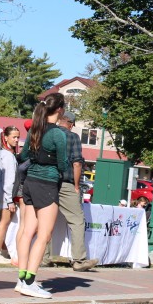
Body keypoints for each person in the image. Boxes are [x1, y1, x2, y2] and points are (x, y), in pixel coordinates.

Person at [14, 93, 69, 299]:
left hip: (29, 182)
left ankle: (21, 279)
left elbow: (24, 155)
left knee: (27, 232)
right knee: (44, 235)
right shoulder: (58, 134)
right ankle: (30, 282)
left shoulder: (35, 129)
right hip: (47, 184)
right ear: (60, 110)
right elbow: (63, 163)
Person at [54, 110, 98, 272]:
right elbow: (77, 163)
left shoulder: (49, 133)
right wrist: (77, 186)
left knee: (46, 220)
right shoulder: (72, 137)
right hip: (66, 183)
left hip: (47, 182)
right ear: (71, 124)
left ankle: (43, 257)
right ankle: (79, 260)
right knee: (77, 220)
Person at [0, 125, 20, 265]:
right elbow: (9, 180)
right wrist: (9, 200)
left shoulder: (6, 154)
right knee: (4, 222)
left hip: (4, 194)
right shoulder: (7, 156)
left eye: (18, 137)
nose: (16, 140)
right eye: (14, 137)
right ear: (6, 137)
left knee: (6, 223)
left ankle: (2, 251)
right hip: (6, 195)